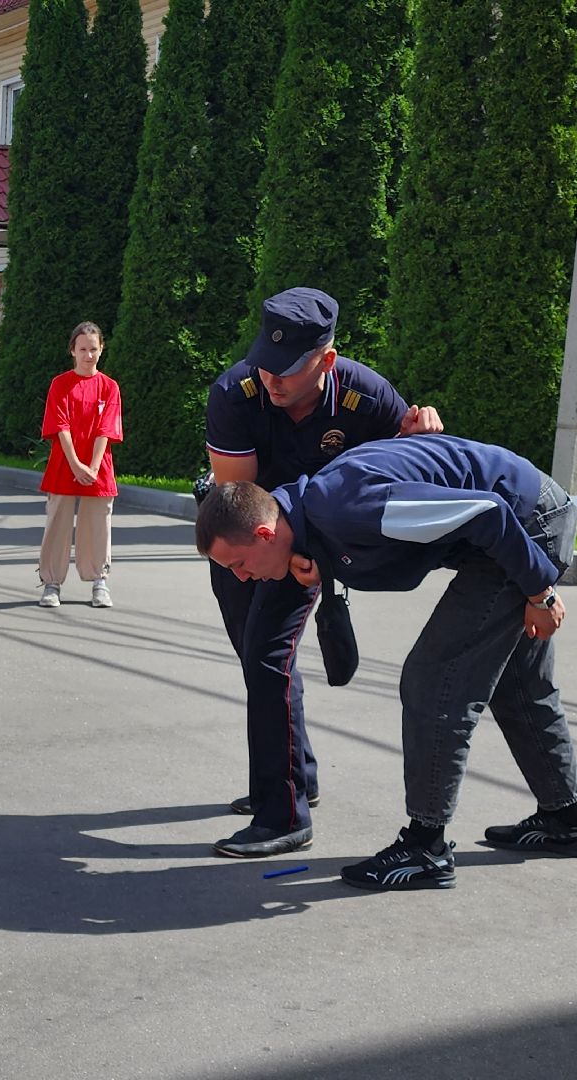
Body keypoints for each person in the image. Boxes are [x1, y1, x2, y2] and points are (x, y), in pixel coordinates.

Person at [195, 434, 577, 891]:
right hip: (519, 525)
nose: (243, 577)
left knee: (433, 679)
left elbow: (487, 513)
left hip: (524, 526)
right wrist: (324, 561)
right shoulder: (316, 514)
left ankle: (425, 847)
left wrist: (540, 590)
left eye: (240, 564)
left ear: (265, 533)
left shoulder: (345, 506)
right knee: (518, 684)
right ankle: (566, 821)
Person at [204, 287, 442, 858]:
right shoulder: (235, 394)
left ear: (327, 361)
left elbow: (397, 472)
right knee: (260, 660)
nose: (272, 380)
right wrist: (288, 553)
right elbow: (244, 506)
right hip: (247, 536)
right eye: (265, 364)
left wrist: (423, 436)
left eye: (287, 370)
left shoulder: (368, 396)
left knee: (267, 656)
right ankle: (299, 776)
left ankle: (281, 813)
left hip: (314, 538)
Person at [37, 322, 124, 609]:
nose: (88, 355)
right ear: (72, 350)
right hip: (65, 463)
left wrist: (93, 467)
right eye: (83, 349)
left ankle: (100, 580)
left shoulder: (110, 387)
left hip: (99, 467)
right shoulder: (60, 384)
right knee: (58, 522)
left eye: (94, 349)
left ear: (102, 350)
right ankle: (51, 582)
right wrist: (75, 463)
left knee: (98, 524)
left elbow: (106, 429)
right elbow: (59, 425)